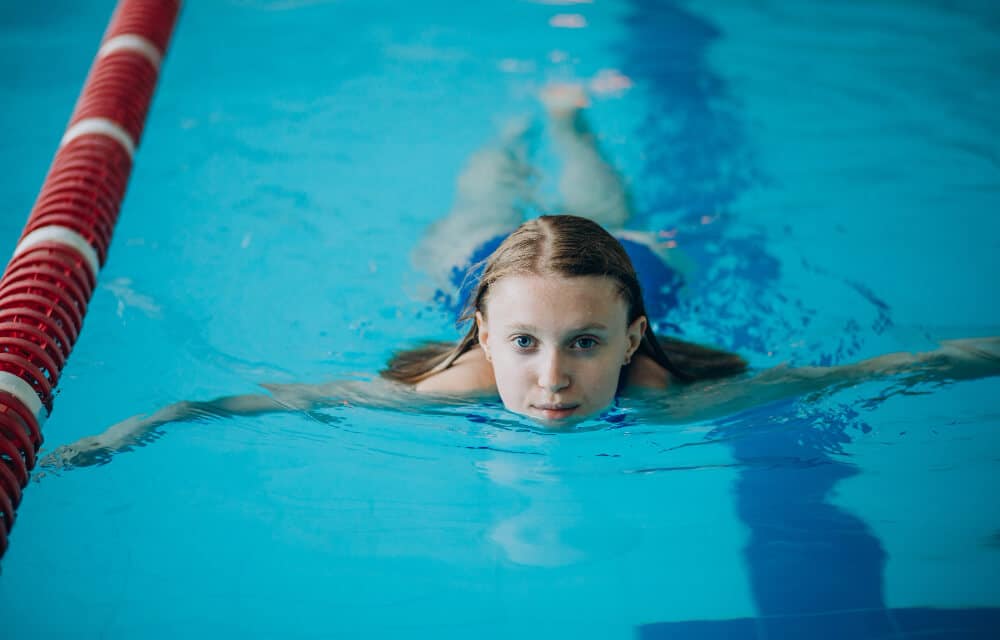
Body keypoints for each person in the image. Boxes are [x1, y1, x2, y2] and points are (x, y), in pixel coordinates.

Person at [42, 89, 1000, 468]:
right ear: (485, 337)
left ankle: (572, 121)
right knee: (480, 198)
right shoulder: (442, 383)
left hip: (632, 253)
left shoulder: (673, 398)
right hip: (477, 261)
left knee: (600, 194)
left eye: (586, 344)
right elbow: (266, 403)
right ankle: (510, 130)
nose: (550, 378)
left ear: (633, 338)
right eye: (525, 345)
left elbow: (878, 370)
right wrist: (146, 423)